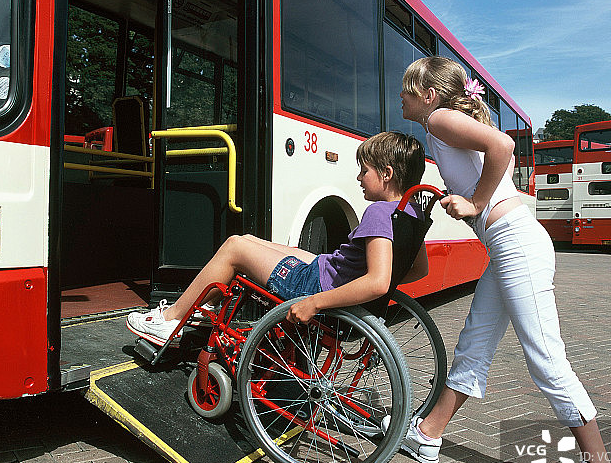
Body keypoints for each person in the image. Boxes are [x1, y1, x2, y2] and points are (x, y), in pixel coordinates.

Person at [398, 55, 611, 463]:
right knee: (474, 345)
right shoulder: (442, 125)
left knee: (546, 361)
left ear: (429, 96)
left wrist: (475, 204)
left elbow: (503, 145)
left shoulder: (438, 119)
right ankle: (428, 434)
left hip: (516, 244)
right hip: (507, 246)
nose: (400, 96)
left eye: (407, 89)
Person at [126, 131, 428, 345]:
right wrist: (356, 281)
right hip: (328, 272)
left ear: (386, 173)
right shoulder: (412, 214)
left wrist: (315, 302)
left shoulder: (379, 212)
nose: (359, 178)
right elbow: (418, 270)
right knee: (252, 240)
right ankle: (202, 307)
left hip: (316, 286)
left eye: (364, 170)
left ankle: (170, 320)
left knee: (234, 247)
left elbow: (377, 283)